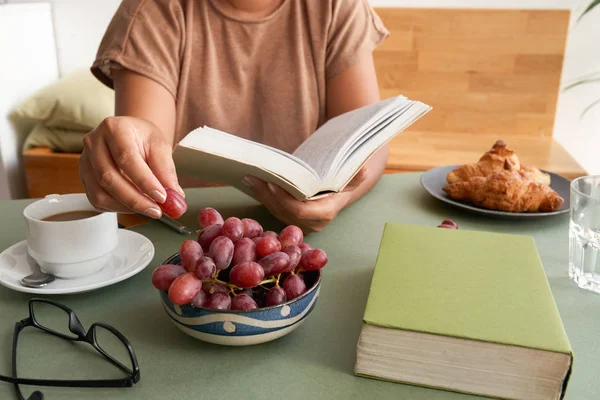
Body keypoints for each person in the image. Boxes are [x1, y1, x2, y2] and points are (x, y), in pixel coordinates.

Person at [82, 0, 389, 232]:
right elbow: (147, 136)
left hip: (304, 239)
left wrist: (337, 199)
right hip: (189, 233)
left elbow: (368, 139)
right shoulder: (154, 10)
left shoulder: (335, 6)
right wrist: (127, 147)